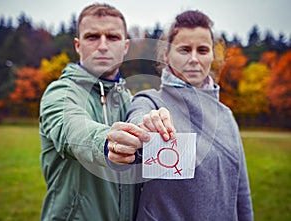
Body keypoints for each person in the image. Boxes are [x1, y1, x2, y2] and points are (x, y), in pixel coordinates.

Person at [39, 3, 175, 221]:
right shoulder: (60, 93)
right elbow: (72, 129)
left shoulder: (129, 99)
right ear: (77, 45)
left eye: (112, 37)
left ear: (125, 46)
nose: (102, 46)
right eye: (92, 37)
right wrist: (106, 141)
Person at [121, 10, 254, 221]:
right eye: (184, 50)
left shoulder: (226, 115)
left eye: (202, 50)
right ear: (166, 55)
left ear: (213, 55)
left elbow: (241, 192)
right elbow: (139, 119)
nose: (194, 59)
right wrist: (144, 128)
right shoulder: (150, 101)